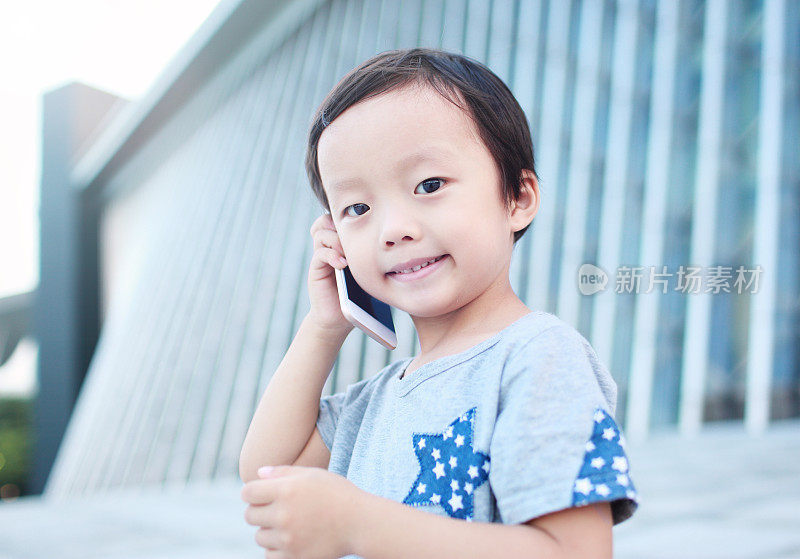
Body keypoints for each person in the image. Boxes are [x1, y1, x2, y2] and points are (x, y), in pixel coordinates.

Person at [240, 47, 639, 559]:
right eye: (357, 208)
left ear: (517, 198)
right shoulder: (373, 402)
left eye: (429, 185)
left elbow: (576, 552)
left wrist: (359, 525)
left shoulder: (538, 358)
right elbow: (269, 472)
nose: (394, 230)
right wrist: (324, 325)